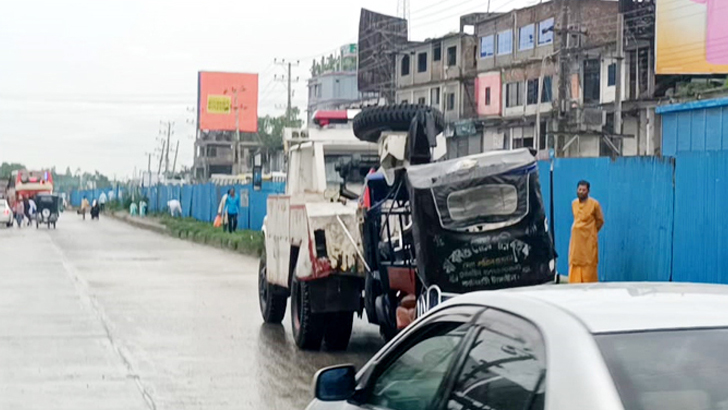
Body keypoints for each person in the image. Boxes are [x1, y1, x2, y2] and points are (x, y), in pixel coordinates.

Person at [568, 180, 605, 284]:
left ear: (588, 191)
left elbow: (600, 221)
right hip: (576, 242)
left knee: (589, 265)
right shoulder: (574, 204)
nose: (581, 192)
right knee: (575, 263)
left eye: (583, 190)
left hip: (589, 241)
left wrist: (591, 232)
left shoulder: (595, 204)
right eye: (579, 189)